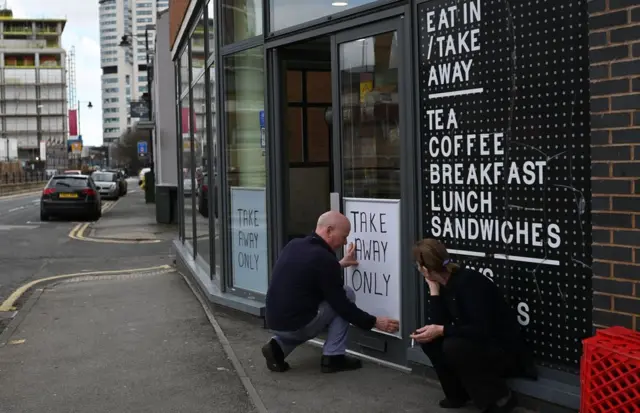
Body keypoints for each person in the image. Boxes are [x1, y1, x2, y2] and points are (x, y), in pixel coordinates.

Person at [262, 210, 400, 373]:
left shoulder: (295, 244)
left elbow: (310, 274)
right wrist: (375, 322)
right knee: (346, 293)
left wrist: (338, 264)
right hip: (296, 326)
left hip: (274, 321)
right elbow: (341, 304)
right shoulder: (324, 258)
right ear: (329, 230)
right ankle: (333, 357)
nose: (345, 242)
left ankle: (277, 347)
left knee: (304, 314)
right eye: (344, 236)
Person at [410, 238, 536, 413]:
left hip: (503, 350)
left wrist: (442, 330)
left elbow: (482, 330)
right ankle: (457, 395)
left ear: (425, 268)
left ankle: (500, 398)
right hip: (479, 344)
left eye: (418, 265)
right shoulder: (444, 283)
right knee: (430, 340)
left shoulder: (469, 282)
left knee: (453, 345)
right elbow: (439, 323)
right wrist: (434, 291)